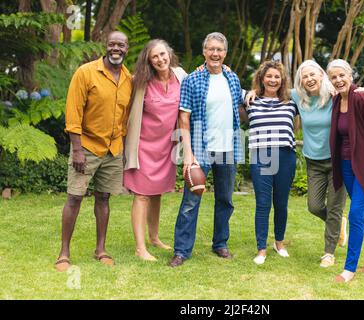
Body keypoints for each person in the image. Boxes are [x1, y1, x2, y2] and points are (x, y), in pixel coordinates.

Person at [246, 60, 364, 267]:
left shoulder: (334, 96)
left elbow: (350, 90)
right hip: (310, 160)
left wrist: (361, 89)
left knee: (332, 207)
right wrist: (253, 90)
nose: (309, 79)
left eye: (313, 74)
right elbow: (267, 86)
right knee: (313, 206)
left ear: (321, 75)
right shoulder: (296, 97)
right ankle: (338, 223)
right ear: (300, 81)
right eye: (305, 76)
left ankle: (328, 253)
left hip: (337, 159)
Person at [55, 31, 132, 271]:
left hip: (113, 149)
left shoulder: (128, 78)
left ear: (127, 49)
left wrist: (124, 149)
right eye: (112, 44)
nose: (116, 48)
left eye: (121, 45)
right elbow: (73, 113)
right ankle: (64, 253)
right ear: (106, 46)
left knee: (104, 198)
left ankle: (101, 249)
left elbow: (125, 117)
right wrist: (76, 149)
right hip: (86, 147)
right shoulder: (86, 72)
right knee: (74, 197)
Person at [169, 32, 244, 267]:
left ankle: (220, 243)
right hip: (201, 150)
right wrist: (188, 155)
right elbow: (184, 119)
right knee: (190, 202)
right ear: (204, 52)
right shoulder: (193, 80)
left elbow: (239, 106)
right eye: (211, 49)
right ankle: (181, 250)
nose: (215, 53)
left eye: (219, 50)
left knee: (225, 200)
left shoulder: (232, 78)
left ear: (225, 53)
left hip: (228, 149)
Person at [123, 40, 188, 261]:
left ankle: (154, 237)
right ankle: (140, 248)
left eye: (162, 54)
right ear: (149, 61)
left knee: (157, 193)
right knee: (142, 195)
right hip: (142, 145)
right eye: (155, 57)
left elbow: (201, 81)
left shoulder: (180, 75)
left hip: (166, 146)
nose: (160, 59)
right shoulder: (140, 81)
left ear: (169, 53)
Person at [327, 59, 364, 283]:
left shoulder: (361, 98)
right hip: (346, 166)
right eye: (334, 77)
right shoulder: (335, 100)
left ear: (350, 76)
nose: (338, 79)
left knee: (355, 214)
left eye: (342, 75)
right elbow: (308, 84)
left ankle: (349, 268)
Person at [241, 61, 298, 265]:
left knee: (281, 203)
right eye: (269, 76)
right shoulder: (251, 100)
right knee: (263, 203)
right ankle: (261, 249)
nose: (273, 80)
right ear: (261, 78)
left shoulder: (291, 102)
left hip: (285, 156)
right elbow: (231, 87)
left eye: (277, 76)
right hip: (261, 156)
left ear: (282, 80)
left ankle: (279, 243)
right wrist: (248, 91)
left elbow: (316, 97)